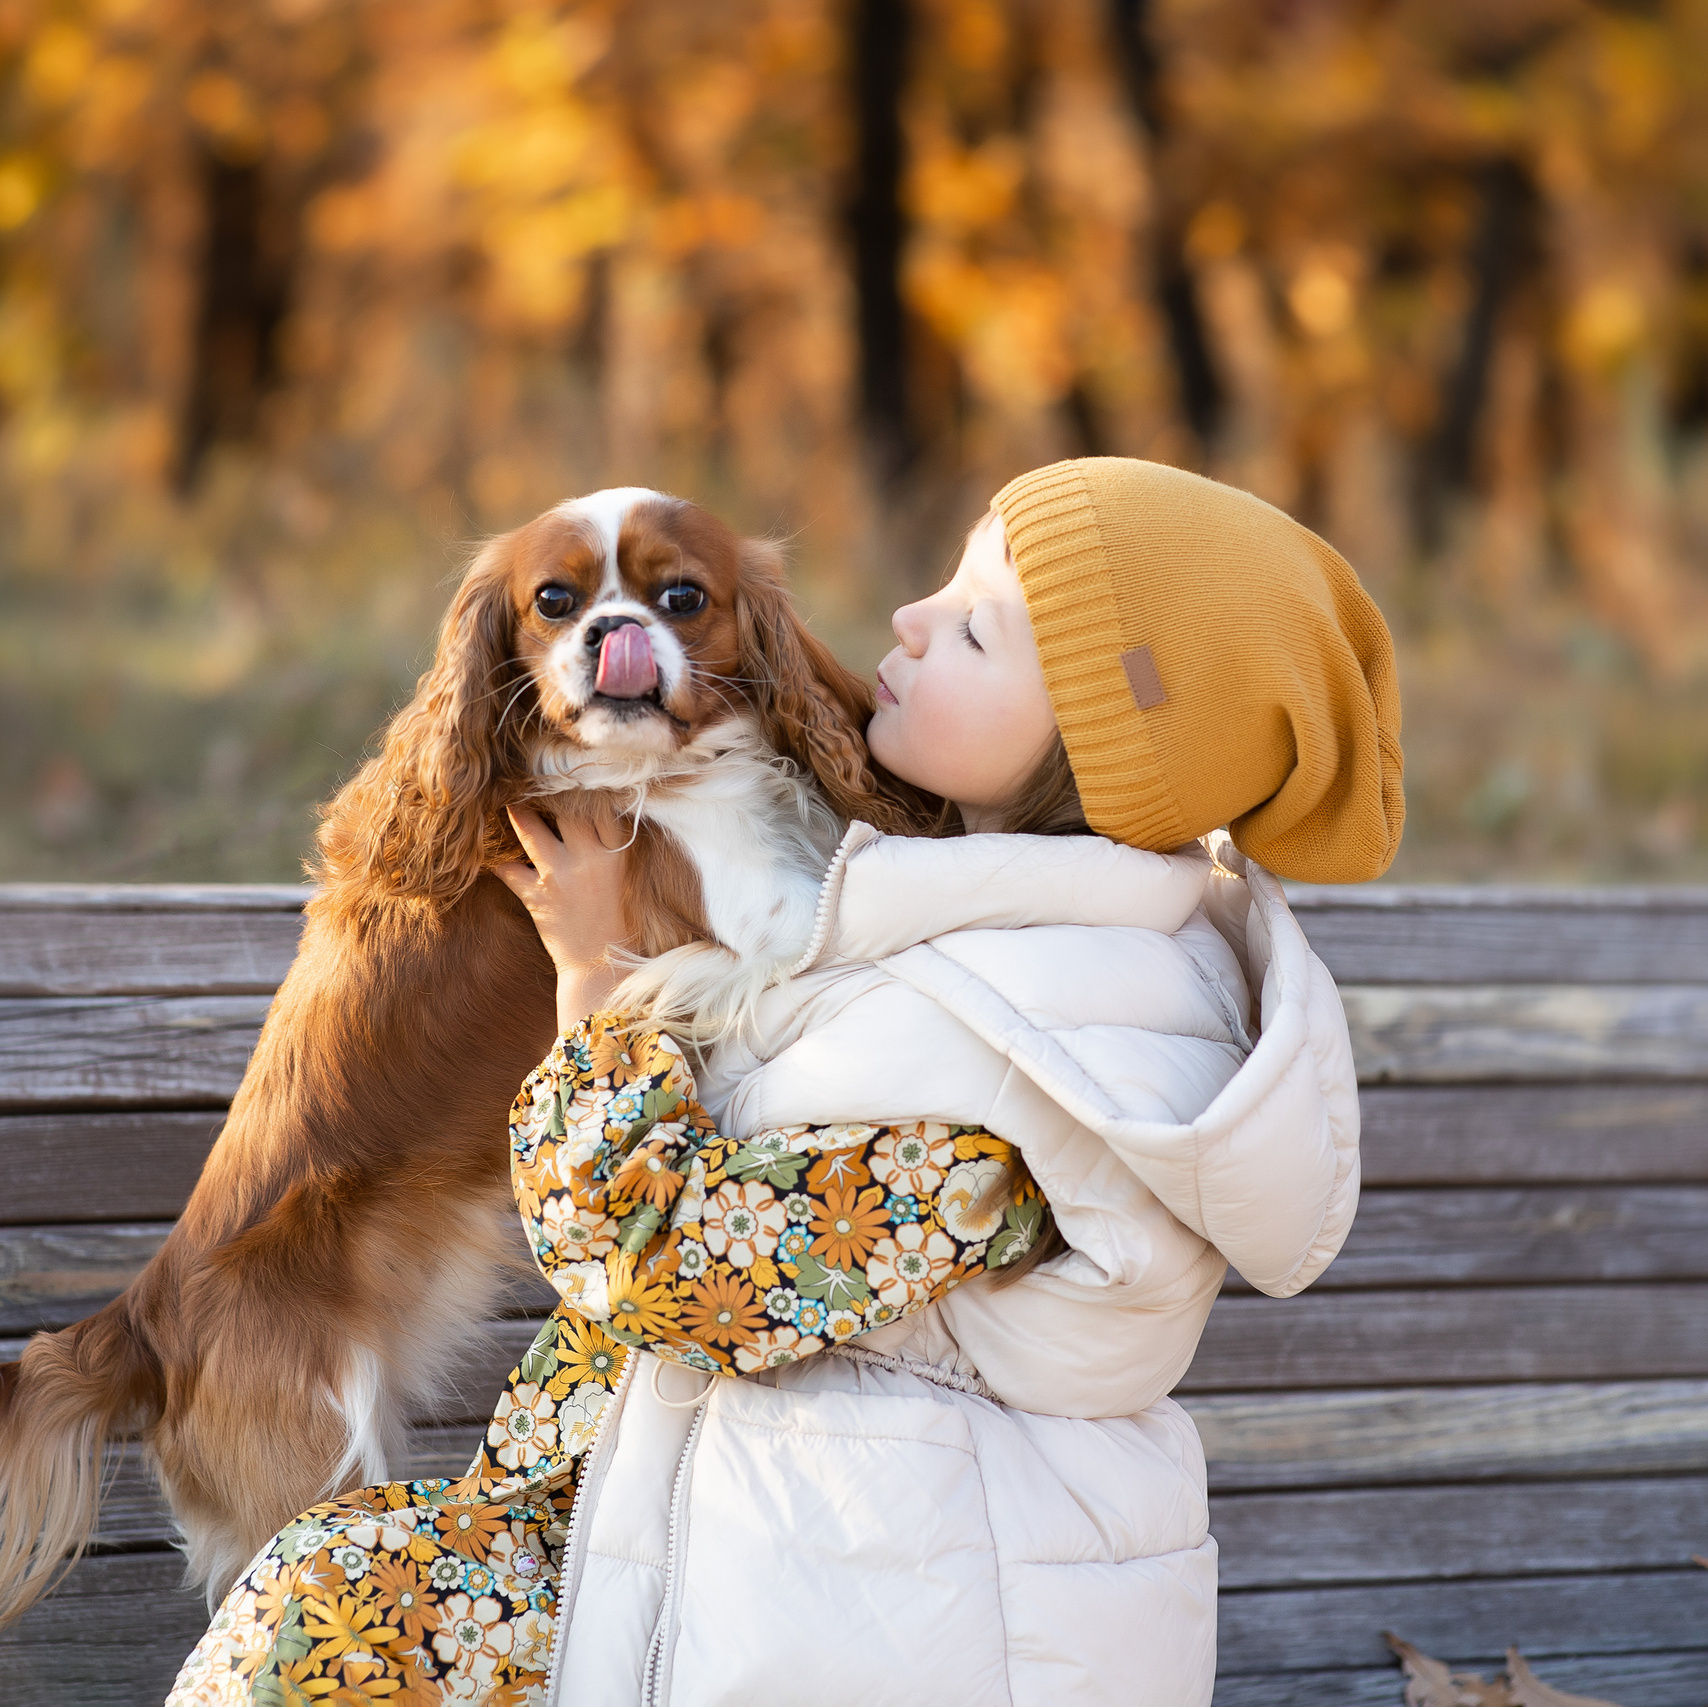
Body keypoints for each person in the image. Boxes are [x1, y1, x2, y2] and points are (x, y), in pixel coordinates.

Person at [167, 457, 1400, 1706]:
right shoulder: (957, 936)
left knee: (339, 1613)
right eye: (942, 590)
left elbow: (668, 1275)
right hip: (765, 1549)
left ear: (1103, 754)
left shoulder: (1043, 1050)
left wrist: (596, 985)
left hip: (870, 1625)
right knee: (340, 1589)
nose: (910, 619)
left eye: (975, 628)